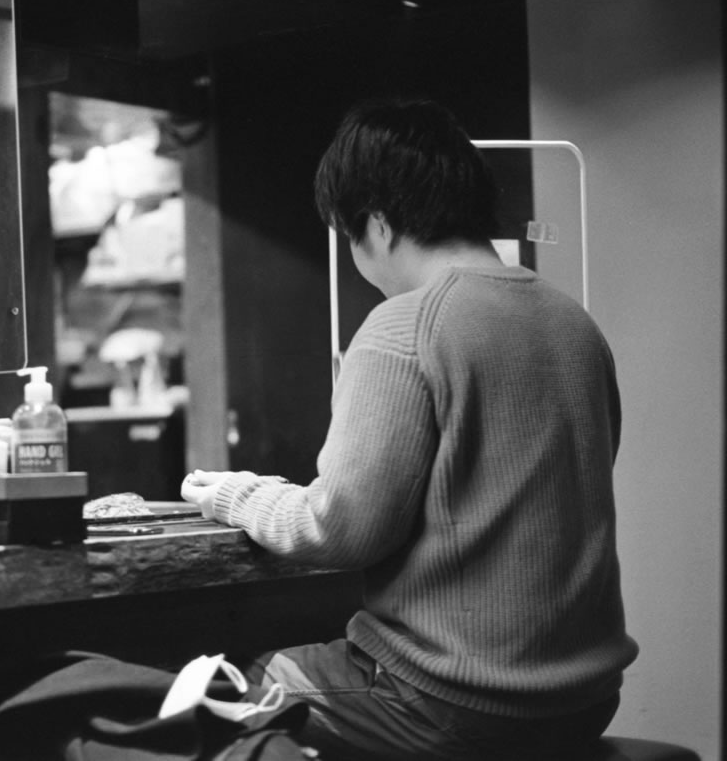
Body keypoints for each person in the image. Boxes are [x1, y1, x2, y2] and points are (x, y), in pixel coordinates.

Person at [181, 98, 638, 761]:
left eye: (349, 234)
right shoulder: (574, 325)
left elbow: (339, 528)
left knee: (233, 692)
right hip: (586, 699)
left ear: (378, 224)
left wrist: (235, 495)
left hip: (450, 704)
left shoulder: (407, 324)